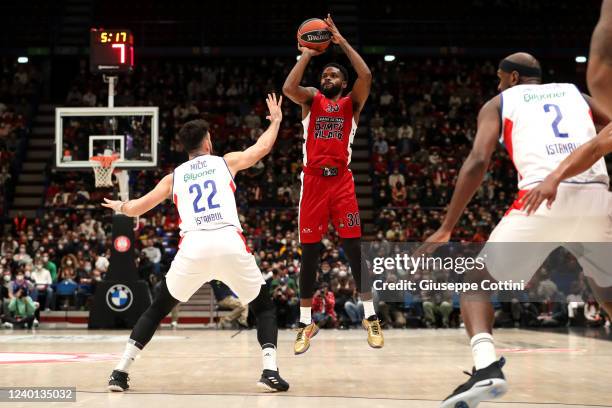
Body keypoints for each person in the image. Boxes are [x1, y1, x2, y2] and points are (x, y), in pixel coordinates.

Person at [423, 52, 612, 407]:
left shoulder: (499, 101)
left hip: (543, 196)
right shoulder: (577, 94)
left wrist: (448, 225)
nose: (497, 83)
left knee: (476, 282)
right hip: (597, 195)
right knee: (607, 292)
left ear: (511, 78)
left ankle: (486, 368)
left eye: (499, 77)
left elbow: (478, 160)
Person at [102, 94, 289, 393]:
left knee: (156, 310)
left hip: (194, 247)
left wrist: (121, 206)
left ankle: (119, 372)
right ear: (207, 143)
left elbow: (138, 207)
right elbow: (262, 147)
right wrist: (276, 120)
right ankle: (269, 371)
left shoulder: (173, 177)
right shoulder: (225, 162)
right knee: (263, 307)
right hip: (228, 241)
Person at [282, 13, 383, 354]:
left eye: (334, 74)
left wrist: (339, 41)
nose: (328, 76)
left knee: (355, 250)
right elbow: (287, 88)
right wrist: (308, 54)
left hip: (342, 183)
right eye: (325, 73)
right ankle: (305, 321)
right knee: (309, 254)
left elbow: (366, 74)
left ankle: (370, 316)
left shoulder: (351, 105)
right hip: (312, 184)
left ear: (342, 82)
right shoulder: (311, 99)